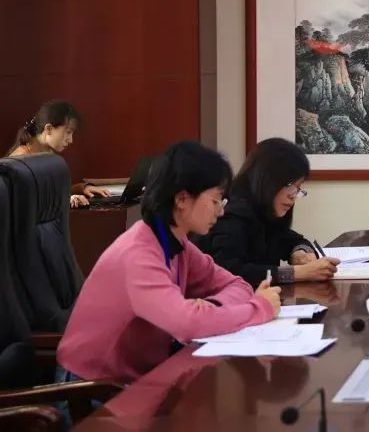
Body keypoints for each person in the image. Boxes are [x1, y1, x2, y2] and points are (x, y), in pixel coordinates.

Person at [56, 141, 281, 384]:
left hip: (137, 378)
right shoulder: (139, 254)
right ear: (182, 198)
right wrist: (259, 308)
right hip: (91, 388)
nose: (221, 212)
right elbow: (188, 325)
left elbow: (238, 285)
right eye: (216, 200)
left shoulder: (174, 242)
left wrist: (211, 309)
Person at [193, 138, 339, 287]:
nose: (293, 196)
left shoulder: (264, 213)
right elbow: (230, 271)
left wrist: (300, 252)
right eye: (290, 185)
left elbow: (294, 240)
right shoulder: (231, 214)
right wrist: (297, 273)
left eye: (298, 187)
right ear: (266, 179)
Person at [6, 100, 111, 208]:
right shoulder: (19, 160)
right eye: (68, 132)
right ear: (48, 129)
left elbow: (48, 192)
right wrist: (64, 200)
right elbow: (24, 202)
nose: (70, 140)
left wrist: (82, 188)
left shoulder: (47, 153)